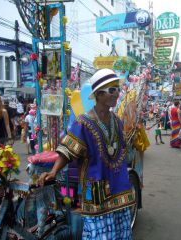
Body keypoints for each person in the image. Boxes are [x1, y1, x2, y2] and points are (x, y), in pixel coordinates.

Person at [37, 69, 135, 239]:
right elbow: (68, 150)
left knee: (121, 234)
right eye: (112, 90)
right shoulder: (83, 123)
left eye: (117, 89)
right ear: (98, 94)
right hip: (97, 193)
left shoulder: (118, 122)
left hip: (119, 188)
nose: (117, 93)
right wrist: (53, 171)